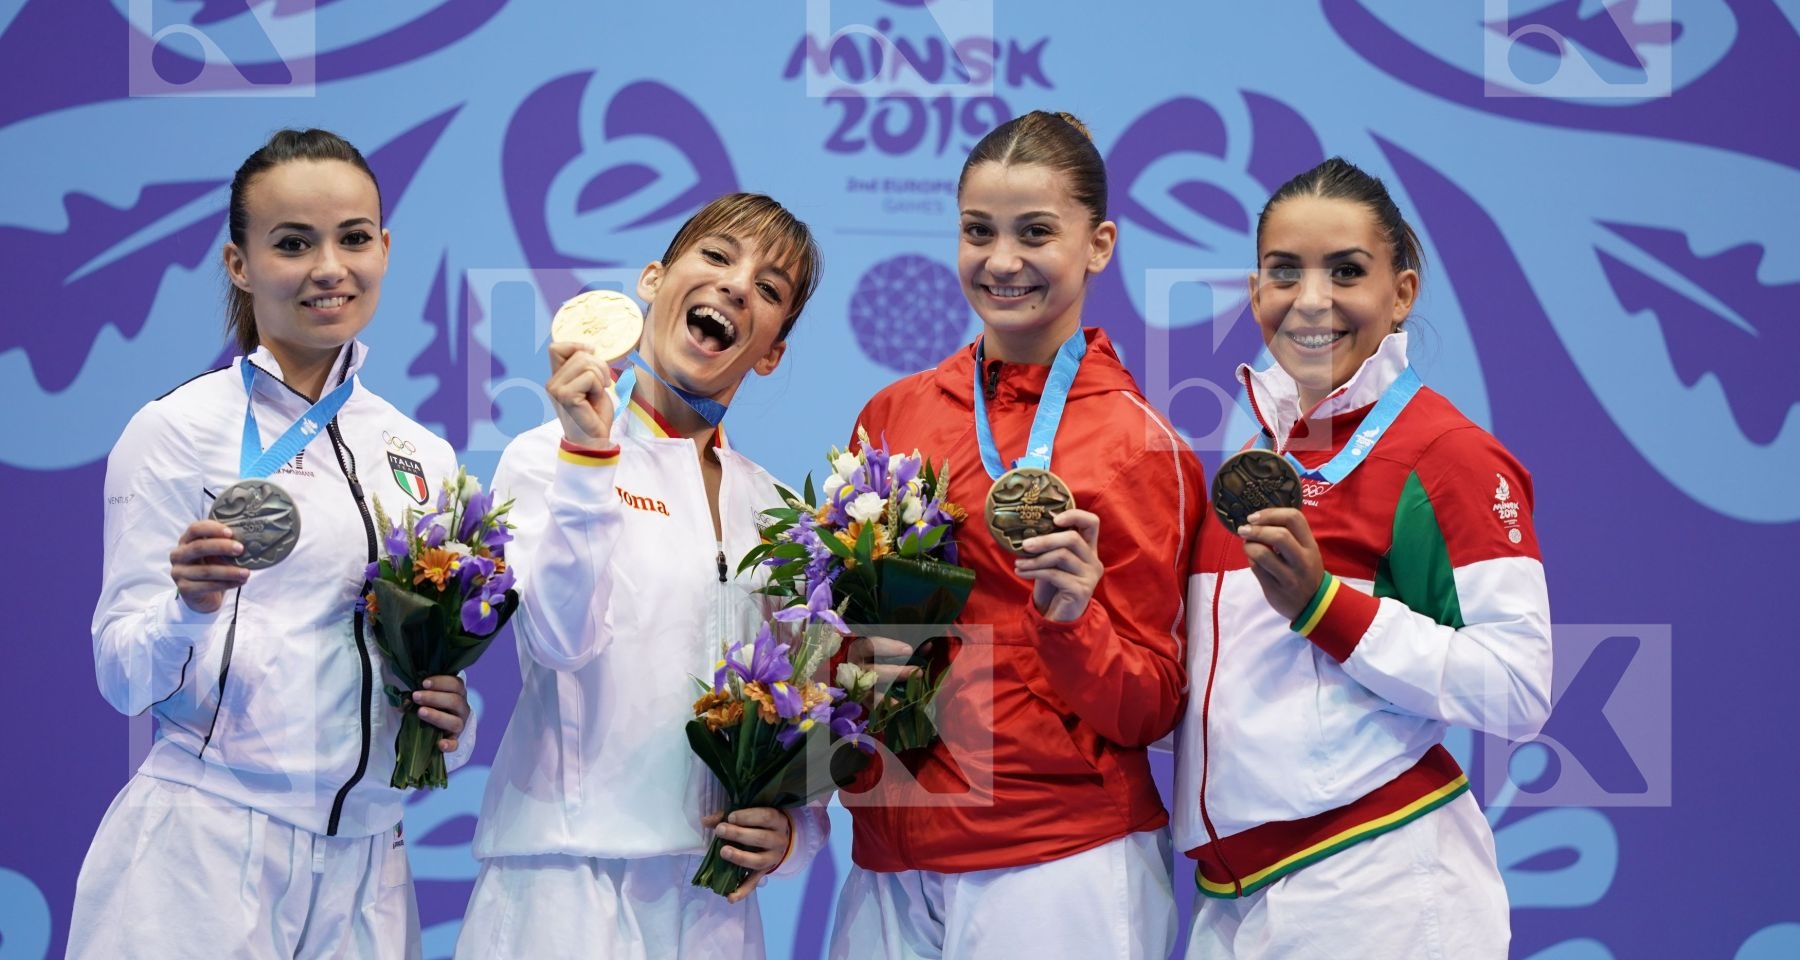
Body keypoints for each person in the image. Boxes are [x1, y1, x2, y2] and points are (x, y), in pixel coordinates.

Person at [69, 129, 472, 960]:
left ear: (385, 249)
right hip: (204, 855)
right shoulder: (178, 432)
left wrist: (442, 711)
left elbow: (397, 656)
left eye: (354, 238)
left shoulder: (422, 456)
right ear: (239, 264)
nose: (330, 266)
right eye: (293, 243)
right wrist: (188, 606)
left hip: (368, 864)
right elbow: (120, 676)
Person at [828, 111, 1204, 960]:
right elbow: (845, 631)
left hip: (1057, 857)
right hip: (891, 856)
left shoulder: (1143, 446)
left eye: (1036, 232)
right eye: (978, 232)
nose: (1002, 261)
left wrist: (1074, 617)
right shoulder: (895, 416)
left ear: (1098, 244)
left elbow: (1152, 705)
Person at [1175, 157, 1553, 958]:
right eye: (1286, 273)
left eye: (1346, 271)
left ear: (1401, 293)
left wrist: (1324, 606)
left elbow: (1520, 688)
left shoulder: (1446, 456)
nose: (1312, 301)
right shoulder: (1252, 460)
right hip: (1238, 899)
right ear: (1254, 293)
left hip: (1380, 883)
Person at [458, 193, 829, 959]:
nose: (735, 285)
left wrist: (797, 830)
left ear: (770, 353)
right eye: (718, 256)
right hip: (566, 883)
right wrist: (590, 461)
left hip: (714, 899)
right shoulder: (544, 454)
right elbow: (559, 641)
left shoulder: (777, 510)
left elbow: (811, 698)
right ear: (653, 281)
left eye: (768, 289)